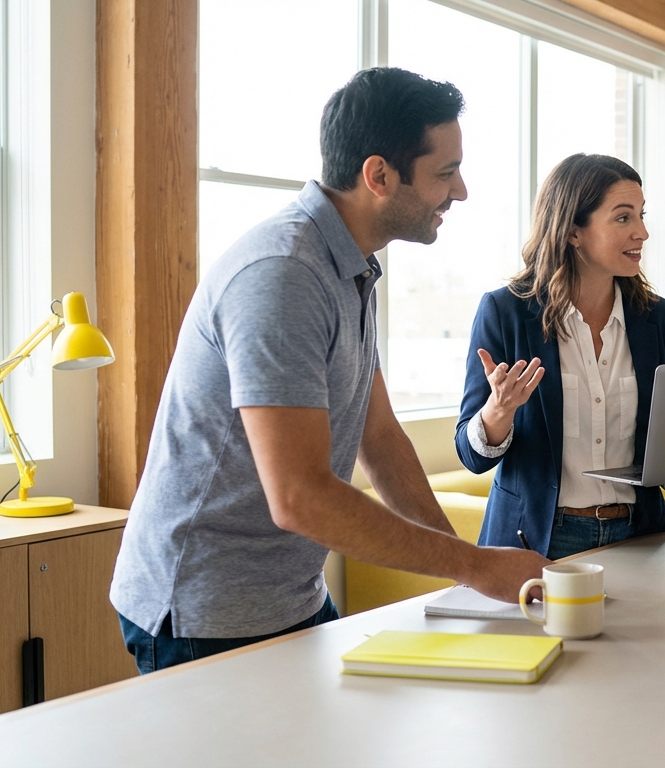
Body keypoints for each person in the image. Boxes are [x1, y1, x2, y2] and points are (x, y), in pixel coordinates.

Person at [110, 68, 548, 673]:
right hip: (203, 612)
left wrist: (466, 567)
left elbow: (381, 436)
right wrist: (473, 566)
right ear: (378, 175)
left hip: (291, 597)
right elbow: (299, 496)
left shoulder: (349, 268)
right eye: (445, 173)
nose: (462, 191)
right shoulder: (284, 275)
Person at [456, 154, 665, 561]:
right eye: (623, 218)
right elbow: (470, 455)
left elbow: (664, 441)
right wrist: (499, 410)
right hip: (536, 542)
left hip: (639, 536)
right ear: (574, 231)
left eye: (641, 216)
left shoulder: (659, 319)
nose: (642, 232)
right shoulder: (506, 313)